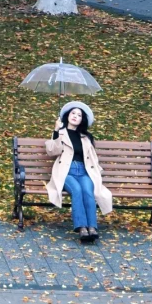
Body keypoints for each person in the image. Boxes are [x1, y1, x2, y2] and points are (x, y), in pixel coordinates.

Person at [44, 101, 113, 243]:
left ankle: (92, 228)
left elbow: (93, 158)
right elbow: (52, 151)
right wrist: (56, 131)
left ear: (82, 120)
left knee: (88, 191)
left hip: (83, 171)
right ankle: (82, 228)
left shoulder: (86, 137)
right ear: (67, 116)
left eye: (79, 115)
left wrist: (97, 172)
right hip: (66, 172)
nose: (75, 116)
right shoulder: (60, 133)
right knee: (77, 190)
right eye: (73, 113)